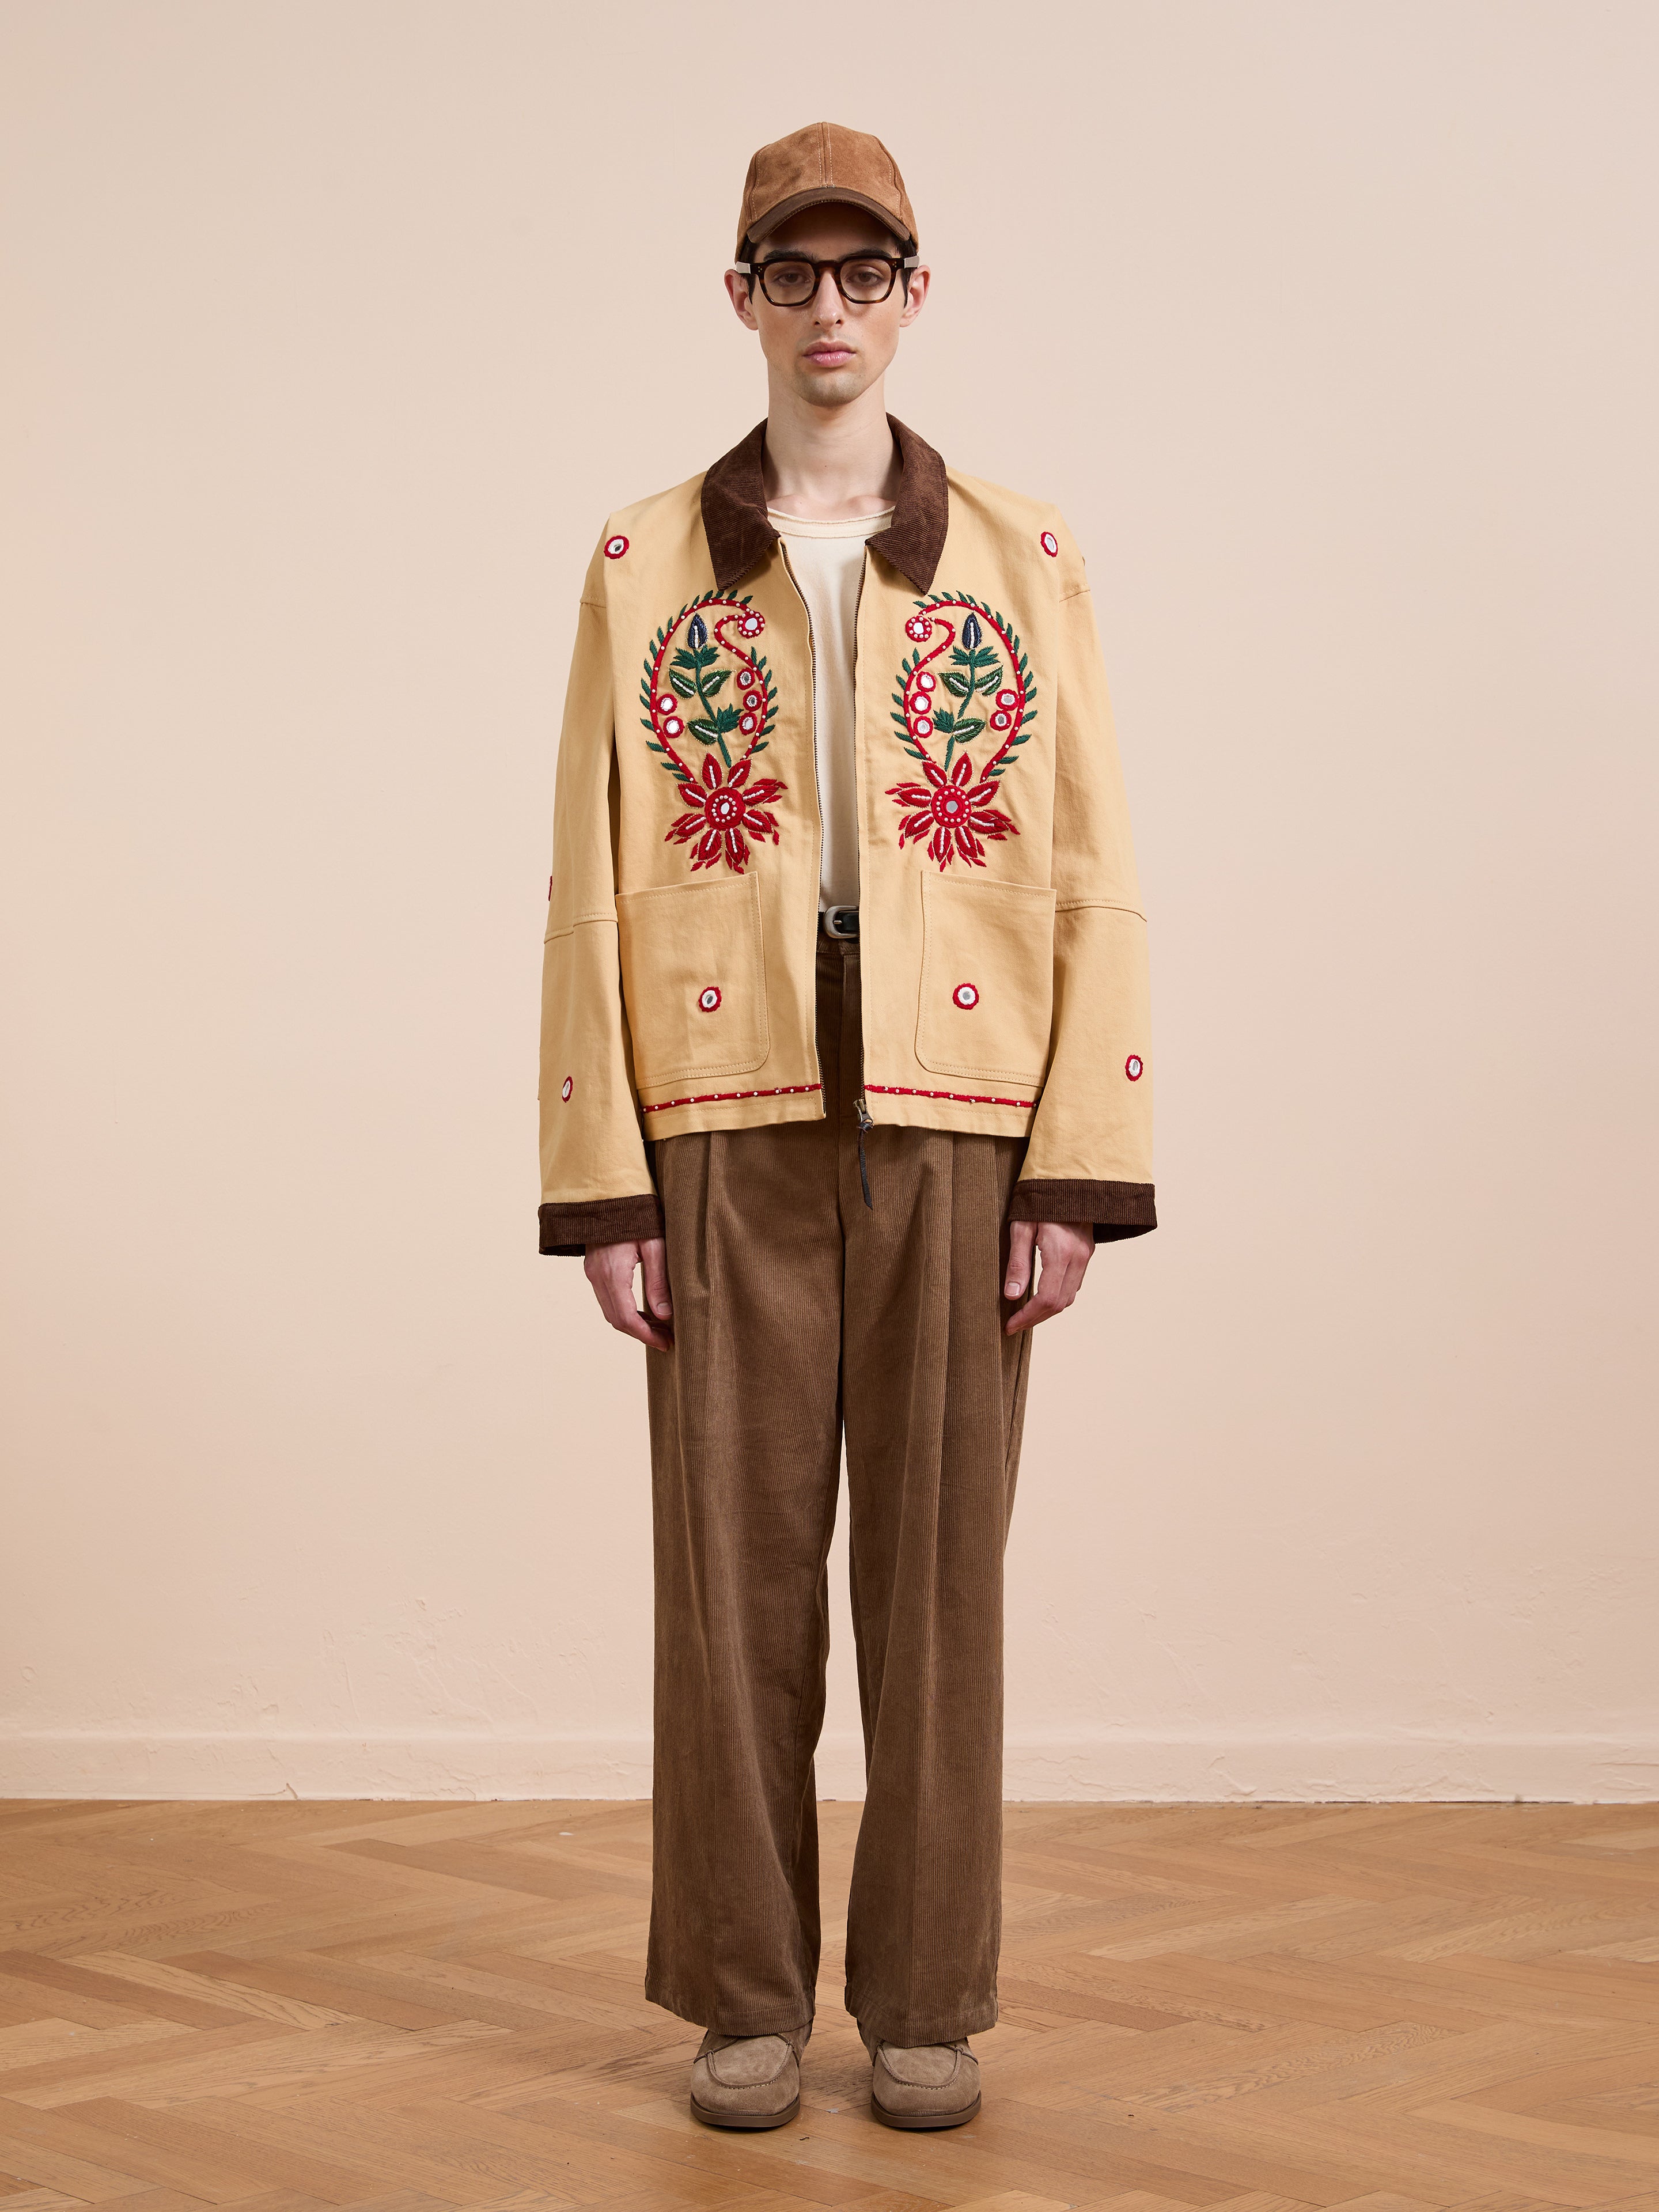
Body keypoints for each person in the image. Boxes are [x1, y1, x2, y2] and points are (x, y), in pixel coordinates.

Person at [537, 120, 1155, 2133]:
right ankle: (737, 1993)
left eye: (860, 274)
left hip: (961, 1110)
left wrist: (1078, 1157)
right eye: (788, 276)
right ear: (740, 298)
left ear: (909, 295)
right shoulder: (645, 559)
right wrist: (598, 1170)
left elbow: (1088, 865)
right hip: (717, 1113)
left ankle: (923, 1996)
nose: (826, 311)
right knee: (729, 1586)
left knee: (940, 1586)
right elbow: (587, 874)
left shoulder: (1021, 551)